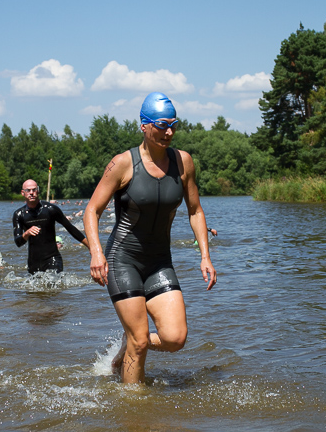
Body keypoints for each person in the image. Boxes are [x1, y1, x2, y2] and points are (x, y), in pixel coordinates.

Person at [84, 91, 217, 385]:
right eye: (161, 125)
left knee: (175, 338)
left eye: (173, 124)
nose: (168, 132)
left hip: (159, 262)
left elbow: (195, 210)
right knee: (141, 342)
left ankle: (128, 344)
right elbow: (91, 210)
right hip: (123, 260)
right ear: (144, 126)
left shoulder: (183, 162)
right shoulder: (122, 164)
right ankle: (134, 408)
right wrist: (96, 252)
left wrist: (204, 256)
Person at [12, 179, 89, 274]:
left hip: (53, 258)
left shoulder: (51, 209)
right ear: (23, 193)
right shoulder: (19, 214)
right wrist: (27, 233)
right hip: (33, 262)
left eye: (34, 190)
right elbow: (18, 242)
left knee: (54, 285)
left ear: (38, 191)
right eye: (28, 190)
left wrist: (91, 247)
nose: (31, 193)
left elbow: (70, 228)